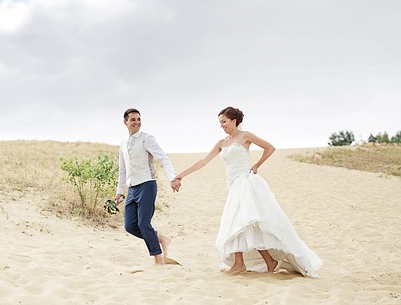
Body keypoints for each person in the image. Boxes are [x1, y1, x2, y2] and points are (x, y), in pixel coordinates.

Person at [171, 106, 322, 277]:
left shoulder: (245, 136)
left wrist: (257, 165)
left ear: (234, 121)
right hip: (232, 185)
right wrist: (181, 175)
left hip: (245, 183)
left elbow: (270, 148)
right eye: (220, 123)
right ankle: (269, 261)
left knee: (239, 221)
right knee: (247, 223)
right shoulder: (221, 143)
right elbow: (203, 161)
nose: (222, 125)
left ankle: (239, 264)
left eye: (224, 122)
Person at [115, 108, 181, 265]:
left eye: (138, 119)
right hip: (132, 189)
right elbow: (122, 171)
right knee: (130, 226)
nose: (136, 122)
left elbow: (164, 159)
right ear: (125, 122)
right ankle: (162, 238)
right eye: (133, 120)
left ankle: (158, 259)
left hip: (147, 185)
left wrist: (172, 177)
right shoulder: (123, 144)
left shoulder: (147, 139)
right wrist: (119, 192)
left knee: (144, 223)